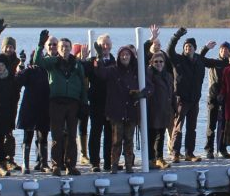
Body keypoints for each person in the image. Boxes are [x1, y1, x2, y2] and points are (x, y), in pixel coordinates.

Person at [33, 30, 89, 176]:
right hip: (56, 102)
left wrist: (84, 103)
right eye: (62, 46)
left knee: (72, 135)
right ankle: (56, 165)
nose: (64, 49)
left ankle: (71, 165)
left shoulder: (76, 65)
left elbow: (83, 84)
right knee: (56, 135)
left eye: (67, 46)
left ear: (71, 48)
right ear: (58, 49)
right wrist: (40, 45)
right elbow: (37, 61)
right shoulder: (53, 62)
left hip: (73, 102)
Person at [95, 43, 147, 173]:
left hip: (132, 111)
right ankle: (114, 165)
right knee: (116, 140)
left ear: (131, 56)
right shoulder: (112, 70)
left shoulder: (137, 71)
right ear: (119, 57)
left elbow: (150, 86)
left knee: (129, 140)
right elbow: (100, 73)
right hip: (116, 112)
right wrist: (99, 56)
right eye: (123, 55)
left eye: (127, 54)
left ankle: (129, 165)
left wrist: (142, 94)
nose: (125, 56)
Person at [167, 27, 207, 162]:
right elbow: (169, 49)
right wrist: (177, 36)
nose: (187, 48)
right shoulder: (177, 59)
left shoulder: (199, 61)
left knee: (192, 128)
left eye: (190, 46)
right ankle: (175, 153)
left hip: (194, 100)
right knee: (178, 127)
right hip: (181, 100)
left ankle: (190, 153)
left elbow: (214, 62)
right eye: (186, 46)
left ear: (194, 48)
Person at [15, 37, 52, 173]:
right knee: (28, 136)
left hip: (44, 107)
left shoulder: (47, 71)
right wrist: (21, 65)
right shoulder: (29, 71)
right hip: (29, 107)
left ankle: (44, 163)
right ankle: (25, 164)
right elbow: (17, 81)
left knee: (43, 136)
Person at [85, 33, 115, 171]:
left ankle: (108, 162)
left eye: (108, 44)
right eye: (103, 44)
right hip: (96, 102)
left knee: (110, 134)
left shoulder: (115, 61)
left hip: (111, 103)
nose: (105, 46)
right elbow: (84, 72)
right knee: (95, 133)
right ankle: (95, 162)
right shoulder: (92, 61)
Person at [201, 41, 230, 159]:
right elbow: (200, 58)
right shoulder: (214, 62)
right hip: (213, 97)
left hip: (226, 99)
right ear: (219, 51)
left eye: (226, 49)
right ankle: (209, 149)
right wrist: (206, 48)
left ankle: (223, 149)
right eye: (222, 49)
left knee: (224, 125)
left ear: (229, 51)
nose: (224, 51)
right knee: (211, 125)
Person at [146, 50, 176, 169]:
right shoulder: (149, 74)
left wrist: (174, 107)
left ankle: (160, 158)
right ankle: (151, 159)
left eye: (161, 61)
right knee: (152, 135)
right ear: (152, 62)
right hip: (153, 110)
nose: (159, 63)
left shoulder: (168, 75)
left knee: (161, 135)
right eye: (156, 61)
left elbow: (172, 93)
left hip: (165, 109)